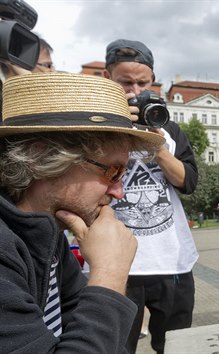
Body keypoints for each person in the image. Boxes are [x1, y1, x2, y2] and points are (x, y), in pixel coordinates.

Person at [0, 72, 164, 352]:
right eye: (113, 171)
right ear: (42, 157)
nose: (119, 192)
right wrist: (109, 273)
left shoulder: (47, 232)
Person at [104, 39, 199, 354]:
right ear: (108, 79)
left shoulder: (168, 127)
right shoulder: (97, 126)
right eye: (125, 82)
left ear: (153, 81)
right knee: (117, 346)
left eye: (143, 83)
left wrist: (157, 147)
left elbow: (189, 182)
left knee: (175, 346)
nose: (134, 90)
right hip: (117, 263)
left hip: (171, 261)